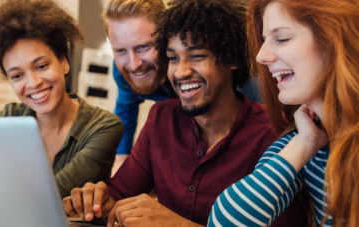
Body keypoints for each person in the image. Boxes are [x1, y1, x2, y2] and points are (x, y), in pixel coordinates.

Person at [62, 0, 308, 226]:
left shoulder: (274, 136)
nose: (180, 72)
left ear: (231, 58)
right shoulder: (161, 119)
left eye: (196, 56)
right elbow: (119, 193)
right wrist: (96, 200)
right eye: (172, 58)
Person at [209, 0, 359, 226]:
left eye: (281, 39)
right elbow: (227, 220)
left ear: (337, 39)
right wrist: (306, 141)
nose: (260, 55)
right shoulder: (306, 140)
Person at [0, 0, 124, 199]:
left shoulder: (103, 127)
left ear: (64, 62)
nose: (33, 83)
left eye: (41, 66)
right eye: (17, 75)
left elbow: (54, 195)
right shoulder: (8, 118)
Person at [102, 0, 262, 163]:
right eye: (120, 50)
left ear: (167, 37)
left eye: (144, 47)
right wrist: (121, 160)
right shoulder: (124, 71)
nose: (134, 64)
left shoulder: (245, 84)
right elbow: (126, 110)